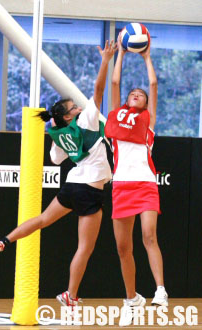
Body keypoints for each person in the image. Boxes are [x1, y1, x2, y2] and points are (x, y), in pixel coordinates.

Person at [0, 40, 117, 309]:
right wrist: (105, 60)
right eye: (73, 107)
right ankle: (70, 294)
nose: (78, 107)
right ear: (69, 116)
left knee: (42, 219)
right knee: (84, 248)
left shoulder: (60, 133)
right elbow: (99, 89)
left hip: (72, 185)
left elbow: (56, 159)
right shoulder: (87, 121)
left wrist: (56, 128)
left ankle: (3, 241)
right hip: (91, 188)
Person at [104, 33, 168, 326]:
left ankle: (160, 290)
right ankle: (132, 298)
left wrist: (145, 56)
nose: (138, 95)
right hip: (121, 184)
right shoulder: (116, 116)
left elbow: (153, 84)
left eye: (140, 96)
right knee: (122, 248)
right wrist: (121, 55)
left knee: (149, 235)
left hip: (144, 183)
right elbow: (114, 84)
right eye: (134, 94)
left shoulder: (148, 120)